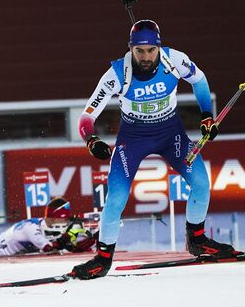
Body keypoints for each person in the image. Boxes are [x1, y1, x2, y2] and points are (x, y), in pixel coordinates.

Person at [70, 19, 234, 280]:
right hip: (133, 139)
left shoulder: (174, 60)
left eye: (151, 50)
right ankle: (102, 259)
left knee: (201, 183)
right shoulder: (117, 73)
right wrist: (91, 140)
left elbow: (200, 81)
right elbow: (86, 117)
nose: (145, 57)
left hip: (171, 134)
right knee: (116, 198)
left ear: (159, 47)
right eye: (139, 51)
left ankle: (197, 240)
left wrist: (206, 116)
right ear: (130, 49)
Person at [0, 197, 97, 257]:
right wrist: (72, 242)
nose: (66, 222)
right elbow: (51, 250)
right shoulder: (32, 229)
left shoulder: (46, 224)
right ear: (53, 219)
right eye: (63, 219)